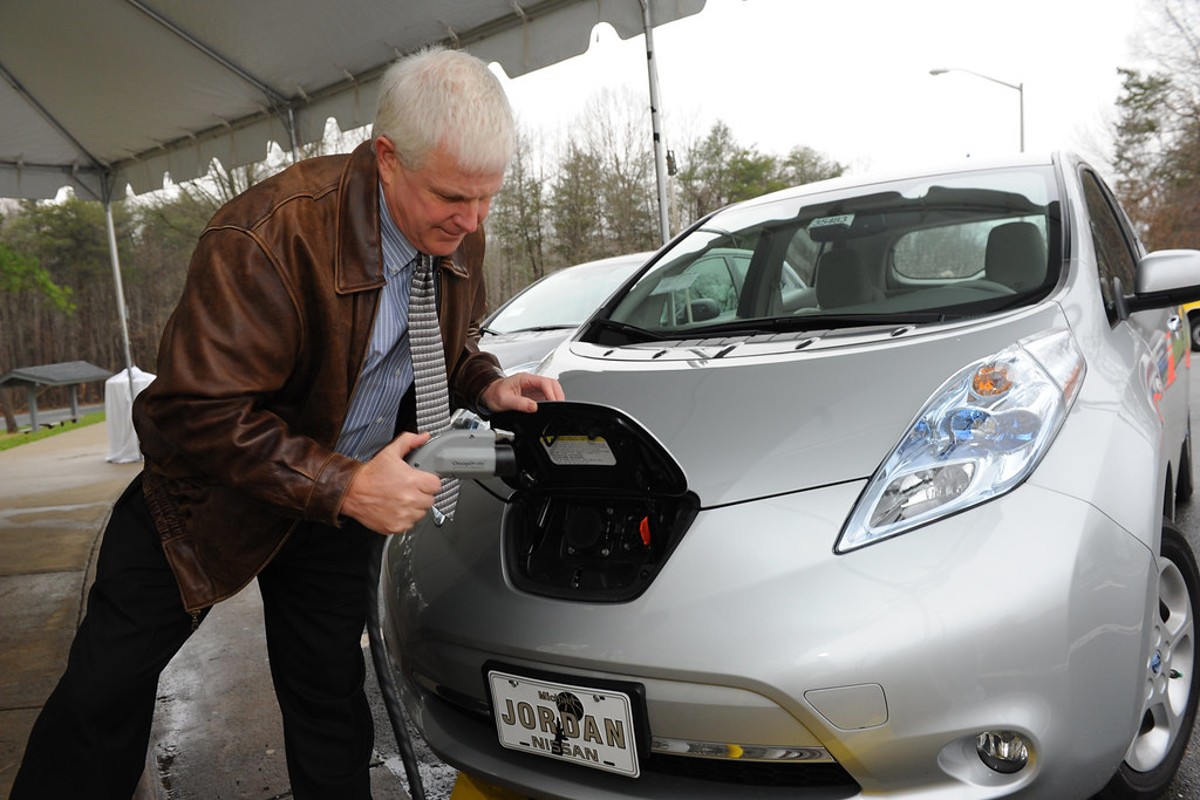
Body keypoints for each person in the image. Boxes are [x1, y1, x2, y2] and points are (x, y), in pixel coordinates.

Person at [11, 46, 563, 799]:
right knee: (104, 687)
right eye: (452, 199)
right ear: (387, 158)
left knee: (329, 701)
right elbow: (196, 410)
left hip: (339, 506)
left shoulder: (458, 227)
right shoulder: (264, 236)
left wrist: (489, 384)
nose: (471, 222)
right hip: (208, 501)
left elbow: (438, 343)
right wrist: (342, 485)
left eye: (487, 198)